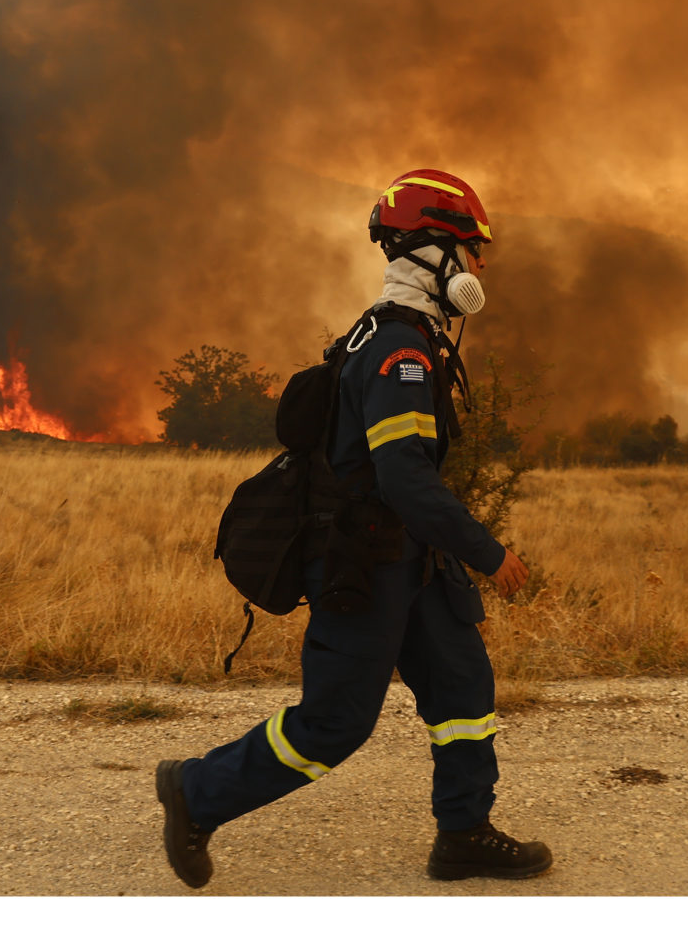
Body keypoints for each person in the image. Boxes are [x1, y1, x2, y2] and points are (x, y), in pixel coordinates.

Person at [157, 168, 551, 888]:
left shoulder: (409, 336)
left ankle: (464, 832)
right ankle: (196, 792)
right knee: (334, 725)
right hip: (366, 566)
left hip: (413, 560)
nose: (480, 268)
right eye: (472, 249)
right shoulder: (398, 351)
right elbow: (404, 477)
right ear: (433, 254)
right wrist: (489, 553)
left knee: (463, 690)